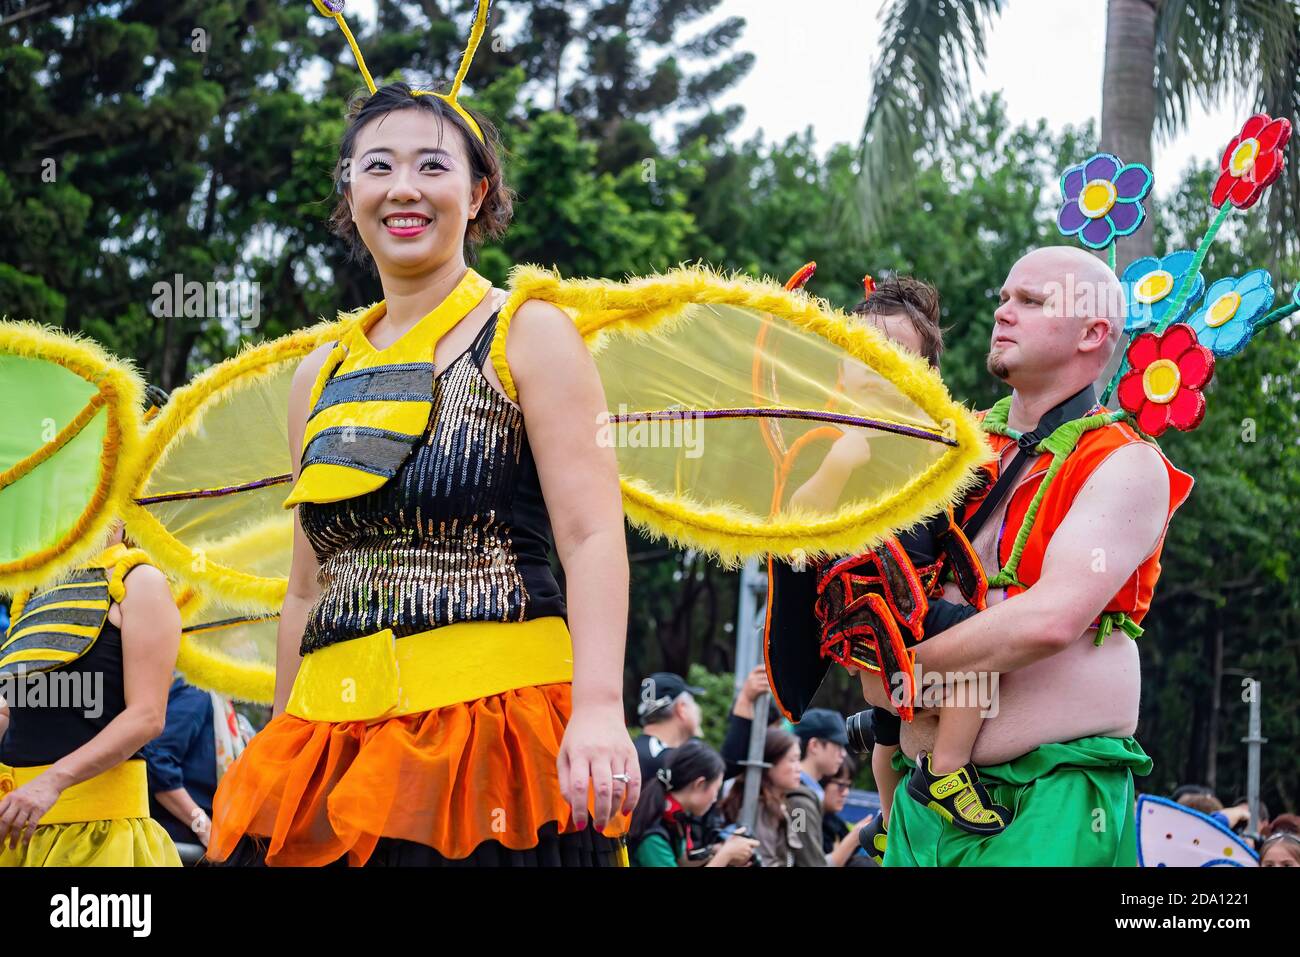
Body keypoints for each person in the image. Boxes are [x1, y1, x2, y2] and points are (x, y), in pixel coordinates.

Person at [205, 65, 638, 864]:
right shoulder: (318, 376)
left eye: (432, 165)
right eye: (378, 166)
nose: (404, 187)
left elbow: (590, 535)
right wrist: (281, 745)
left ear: (477, 195)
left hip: (493, 739)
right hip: (331, 742)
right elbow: (307, 585)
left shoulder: (528, 333)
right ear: (350, 193)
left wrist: (602, 707)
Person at [860, 246, 1192, 866]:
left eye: (1031, 302)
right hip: (920, 804)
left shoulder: (1126, 461)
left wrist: (895, 669)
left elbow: (1049, 622)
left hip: (1054, 797)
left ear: (1094, 333)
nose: (1003, 314)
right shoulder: (947, 444)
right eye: (1004, 299)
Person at [767, 275, 1005, 847]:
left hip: (914, 599)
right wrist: (839, 466)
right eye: (864, 352)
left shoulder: (927, 446)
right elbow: (798, 525)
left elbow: (950, 517)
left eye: (896, 357)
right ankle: (947, 771)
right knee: (989, 644)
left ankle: (891, 817)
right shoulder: (826, 437)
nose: (877, 366)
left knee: (887, 731)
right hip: (868, 605)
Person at [0, 521, 182, 866]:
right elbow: (17, 707)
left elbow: (146, 716)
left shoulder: (140, 582)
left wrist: (50, 783)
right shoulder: (33, 591)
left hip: (100, 837)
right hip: (17, 834)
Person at [141, 675, 250, 854]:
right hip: (179, 846)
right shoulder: (198, 693)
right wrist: (203, 827)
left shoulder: (222, 706)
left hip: (199, 846)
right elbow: (157, 762)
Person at [627, 739, 758, 867]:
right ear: (699, 784)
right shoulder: (653, 836)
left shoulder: (675, 817)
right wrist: (726, 854)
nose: (715, 800)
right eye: (716, 790)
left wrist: (716, 850)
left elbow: (682, 861)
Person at [719, 728, 804, 867]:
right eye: (792, 760)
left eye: (799, 760)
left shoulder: (781, 804)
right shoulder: (762, 808)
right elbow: (767, 862)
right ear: (769, 764)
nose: (799, 768)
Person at [785, 708, 847, 866]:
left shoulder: (807, 791)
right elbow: (806, 860)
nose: (843, 754)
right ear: (814, 745)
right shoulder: (798, 797)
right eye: (838, 745)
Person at [634, 671, 705, 784]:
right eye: (693, 702)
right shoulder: (673, 761)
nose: (698, 709)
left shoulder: (633, 750)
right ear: (681, 708)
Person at [820, 752, 872, 866]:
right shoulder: (802, 813)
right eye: (841, 785)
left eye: (848, 786)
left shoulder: (835, 823)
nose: (845, 792)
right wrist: (853, 838)